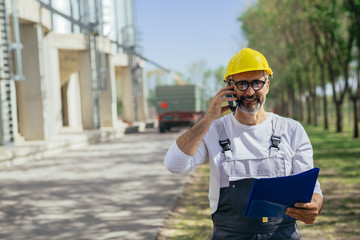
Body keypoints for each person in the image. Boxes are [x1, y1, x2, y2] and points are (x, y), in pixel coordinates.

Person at [163, 48, 323, 239]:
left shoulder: (291, 130)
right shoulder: (214, 130)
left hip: (282, 234)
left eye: (257, 83)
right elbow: (174, 164)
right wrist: (208, 118)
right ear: (230, 87)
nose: (249, 91)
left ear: (267, 85)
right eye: (242, 84)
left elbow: (310, 185)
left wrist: (315, 204)